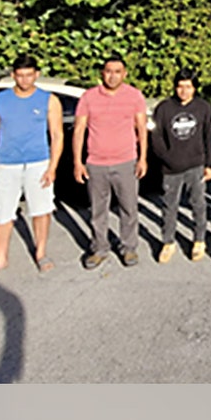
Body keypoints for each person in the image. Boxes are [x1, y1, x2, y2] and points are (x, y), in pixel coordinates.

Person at [0, 54, 64, 278]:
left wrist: (52, 166)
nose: (25, 80)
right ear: (13, 75)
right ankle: (1, 258)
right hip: (5, 164)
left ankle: (41, 253)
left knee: (41, 209)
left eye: (29, 75)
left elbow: (57, 135)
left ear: (36, 74)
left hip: (38, 162)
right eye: (20, 75)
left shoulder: (49, 99)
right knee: (1, 212)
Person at [73, 55, 148, 270]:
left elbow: (141, 129)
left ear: (124, 74)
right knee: (98, 210)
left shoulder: (134, 96)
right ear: (101, 73)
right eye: (108, 71)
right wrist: (78, 162)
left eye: (117, 71)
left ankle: (129, 247)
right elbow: (79, 130)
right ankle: (99, 248)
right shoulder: (88, 97)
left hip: (126, 161)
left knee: (129, 208)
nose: (112, 76)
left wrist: (143, 158)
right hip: (96, 163)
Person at [150, 69, 211, 263]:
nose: (183, 91)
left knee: (199, 205)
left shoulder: (203, 107)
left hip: (196, 165)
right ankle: (168, 242)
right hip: (171, 168)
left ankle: (199, 240)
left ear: (194, 88)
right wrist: (166, 157)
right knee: (169, 206)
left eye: (188, 87)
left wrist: (209, 164)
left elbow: (208, 136)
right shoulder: (164, 108)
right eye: (180, 86)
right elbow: (156, 137)